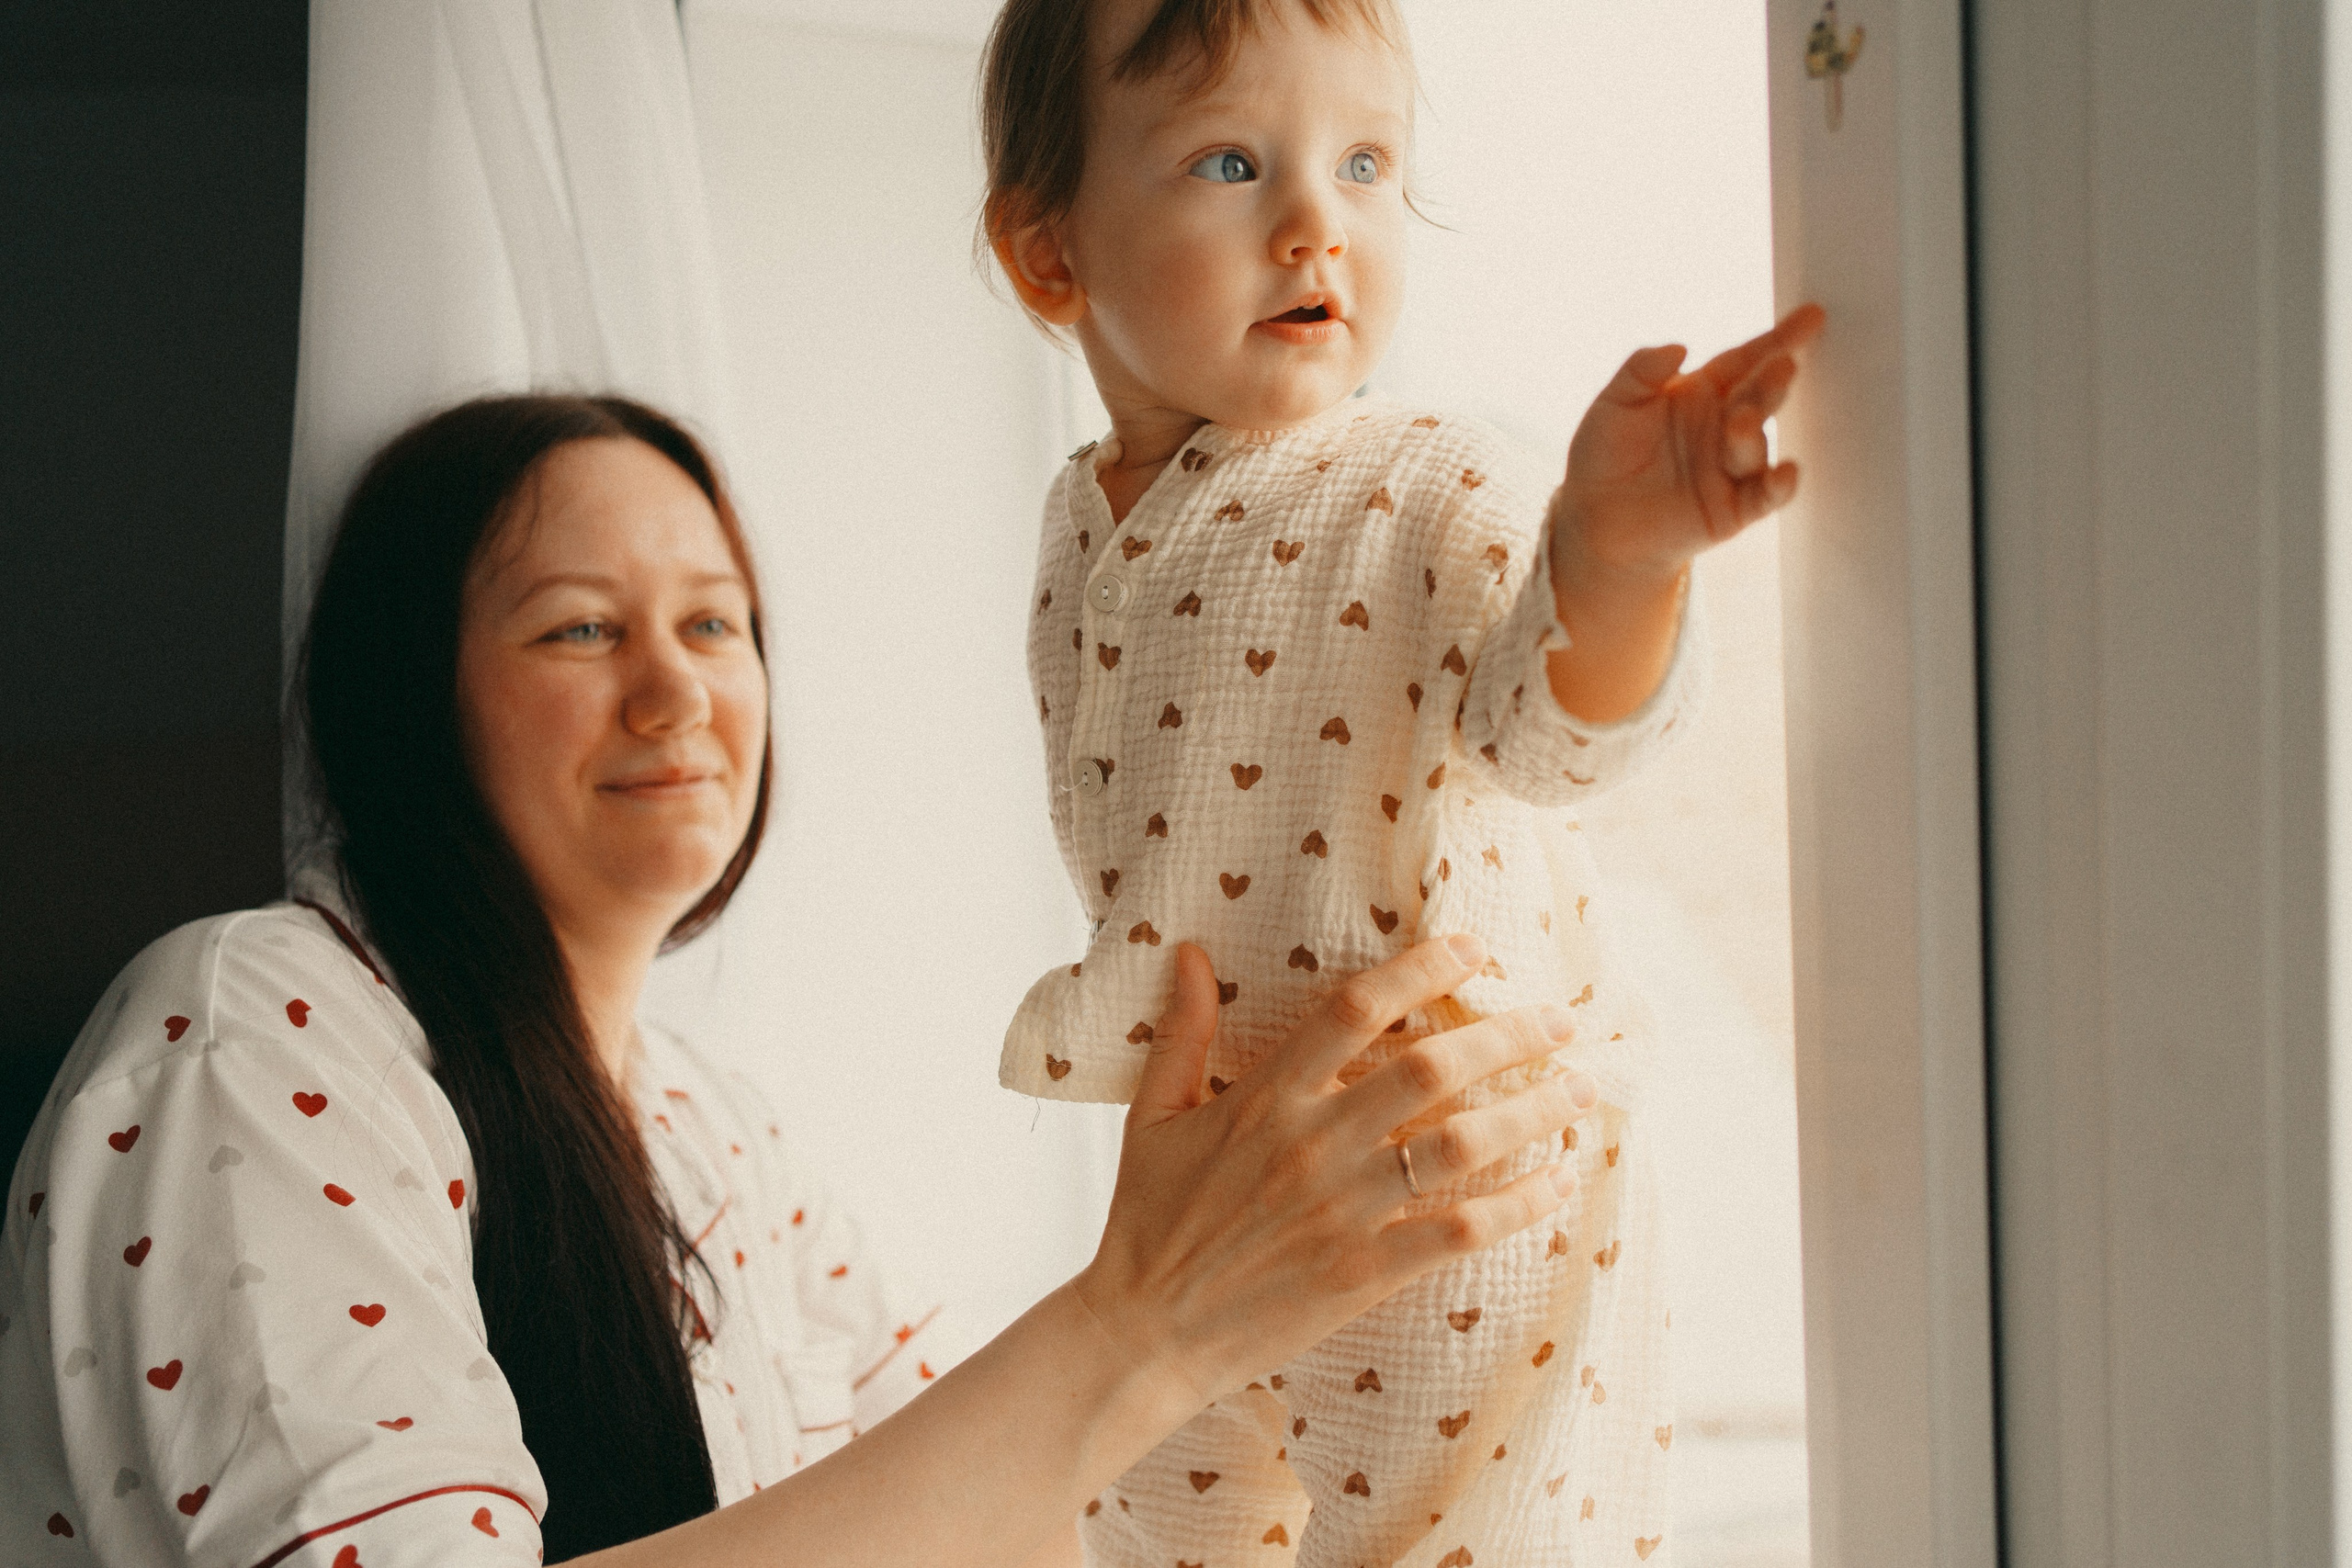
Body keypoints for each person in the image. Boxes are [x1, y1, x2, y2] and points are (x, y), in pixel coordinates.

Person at [0, 393, 1606, 1567]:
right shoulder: (259, 1027)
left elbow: (972, 1518)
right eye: (578, 632)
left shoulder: (712, 1130)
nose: (674, 689)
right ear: (402, 697)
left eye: (717, 624)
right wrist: (1149, 1316)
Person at [978, 1, 1824, 1562]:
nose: (1317, 224)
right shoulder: (1074, 527)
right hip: (1212, 1178)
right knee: (1158, 1526)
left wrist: (1619, 558)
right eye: (1232, 161)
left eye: (1367, 164)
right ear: (1051, 259)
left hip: (1447, 1160)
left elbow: (1550, 736)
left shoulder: (1433, 474)